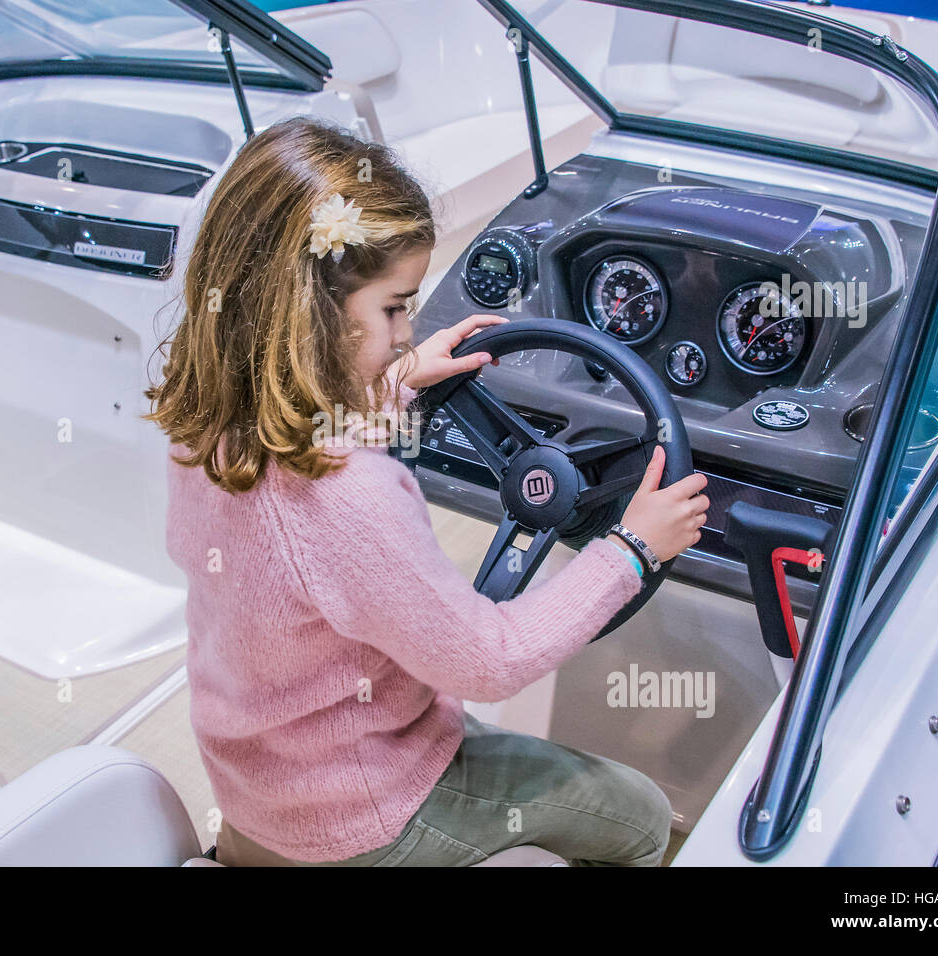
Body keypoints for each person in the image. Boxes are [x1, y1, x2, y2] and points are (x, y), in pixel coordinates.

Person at [144, 116, 709, 866]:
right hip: (367, 810)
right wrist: (632, 550)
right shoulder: (351, 494)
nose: (408, 332)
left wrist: (396, 384)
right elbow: (488, 660)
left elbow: (296, 484)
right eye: (394, 308)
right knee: (639, 815)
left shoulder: (206, 420)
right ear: (313, 316)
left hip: (268, 790)